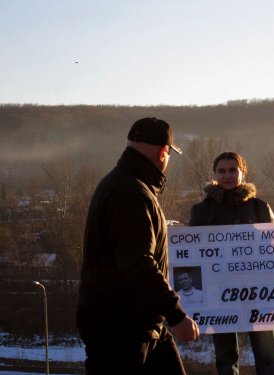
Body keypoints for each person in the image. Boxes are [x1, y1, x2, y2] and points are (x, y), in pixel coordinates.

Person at [77, 117, 200, 375]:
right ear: (163, 152)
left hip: (138, 324)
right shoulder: (131, 193)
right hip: (122, 329)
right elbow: (139, 264)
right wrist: (176, 315)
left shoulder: (124, 184)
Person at [189, 151, 274, 375]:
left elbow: (271, 253)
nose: (227, 175)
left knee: (267, 354)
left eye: (233, 170)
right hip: (219, 294)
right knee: (225, 357)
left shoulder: (260, 208)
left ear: (243, 173)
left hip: (258, 293)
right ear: (214, 174)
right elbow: (192, 255)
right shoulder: (201, 211)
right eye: (222, 171)